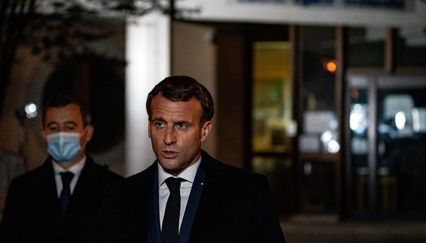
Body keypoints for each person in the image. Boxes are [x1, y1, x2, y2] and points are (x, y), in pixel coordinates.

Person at [99, 75, 285, 243]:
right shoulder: (119, 196)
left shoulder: (247, 192)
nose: (168, 138)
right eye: (160, 124)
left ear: (204, 131)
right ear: (149, 128)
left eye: (181, 125)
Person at [0, 94, 123, 243]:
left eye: (69, 127)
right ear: (44, 134)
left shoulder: (114, 188)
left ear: (87, 133)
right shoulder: (22, 188)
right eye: (53, 128)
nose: (61, 135)